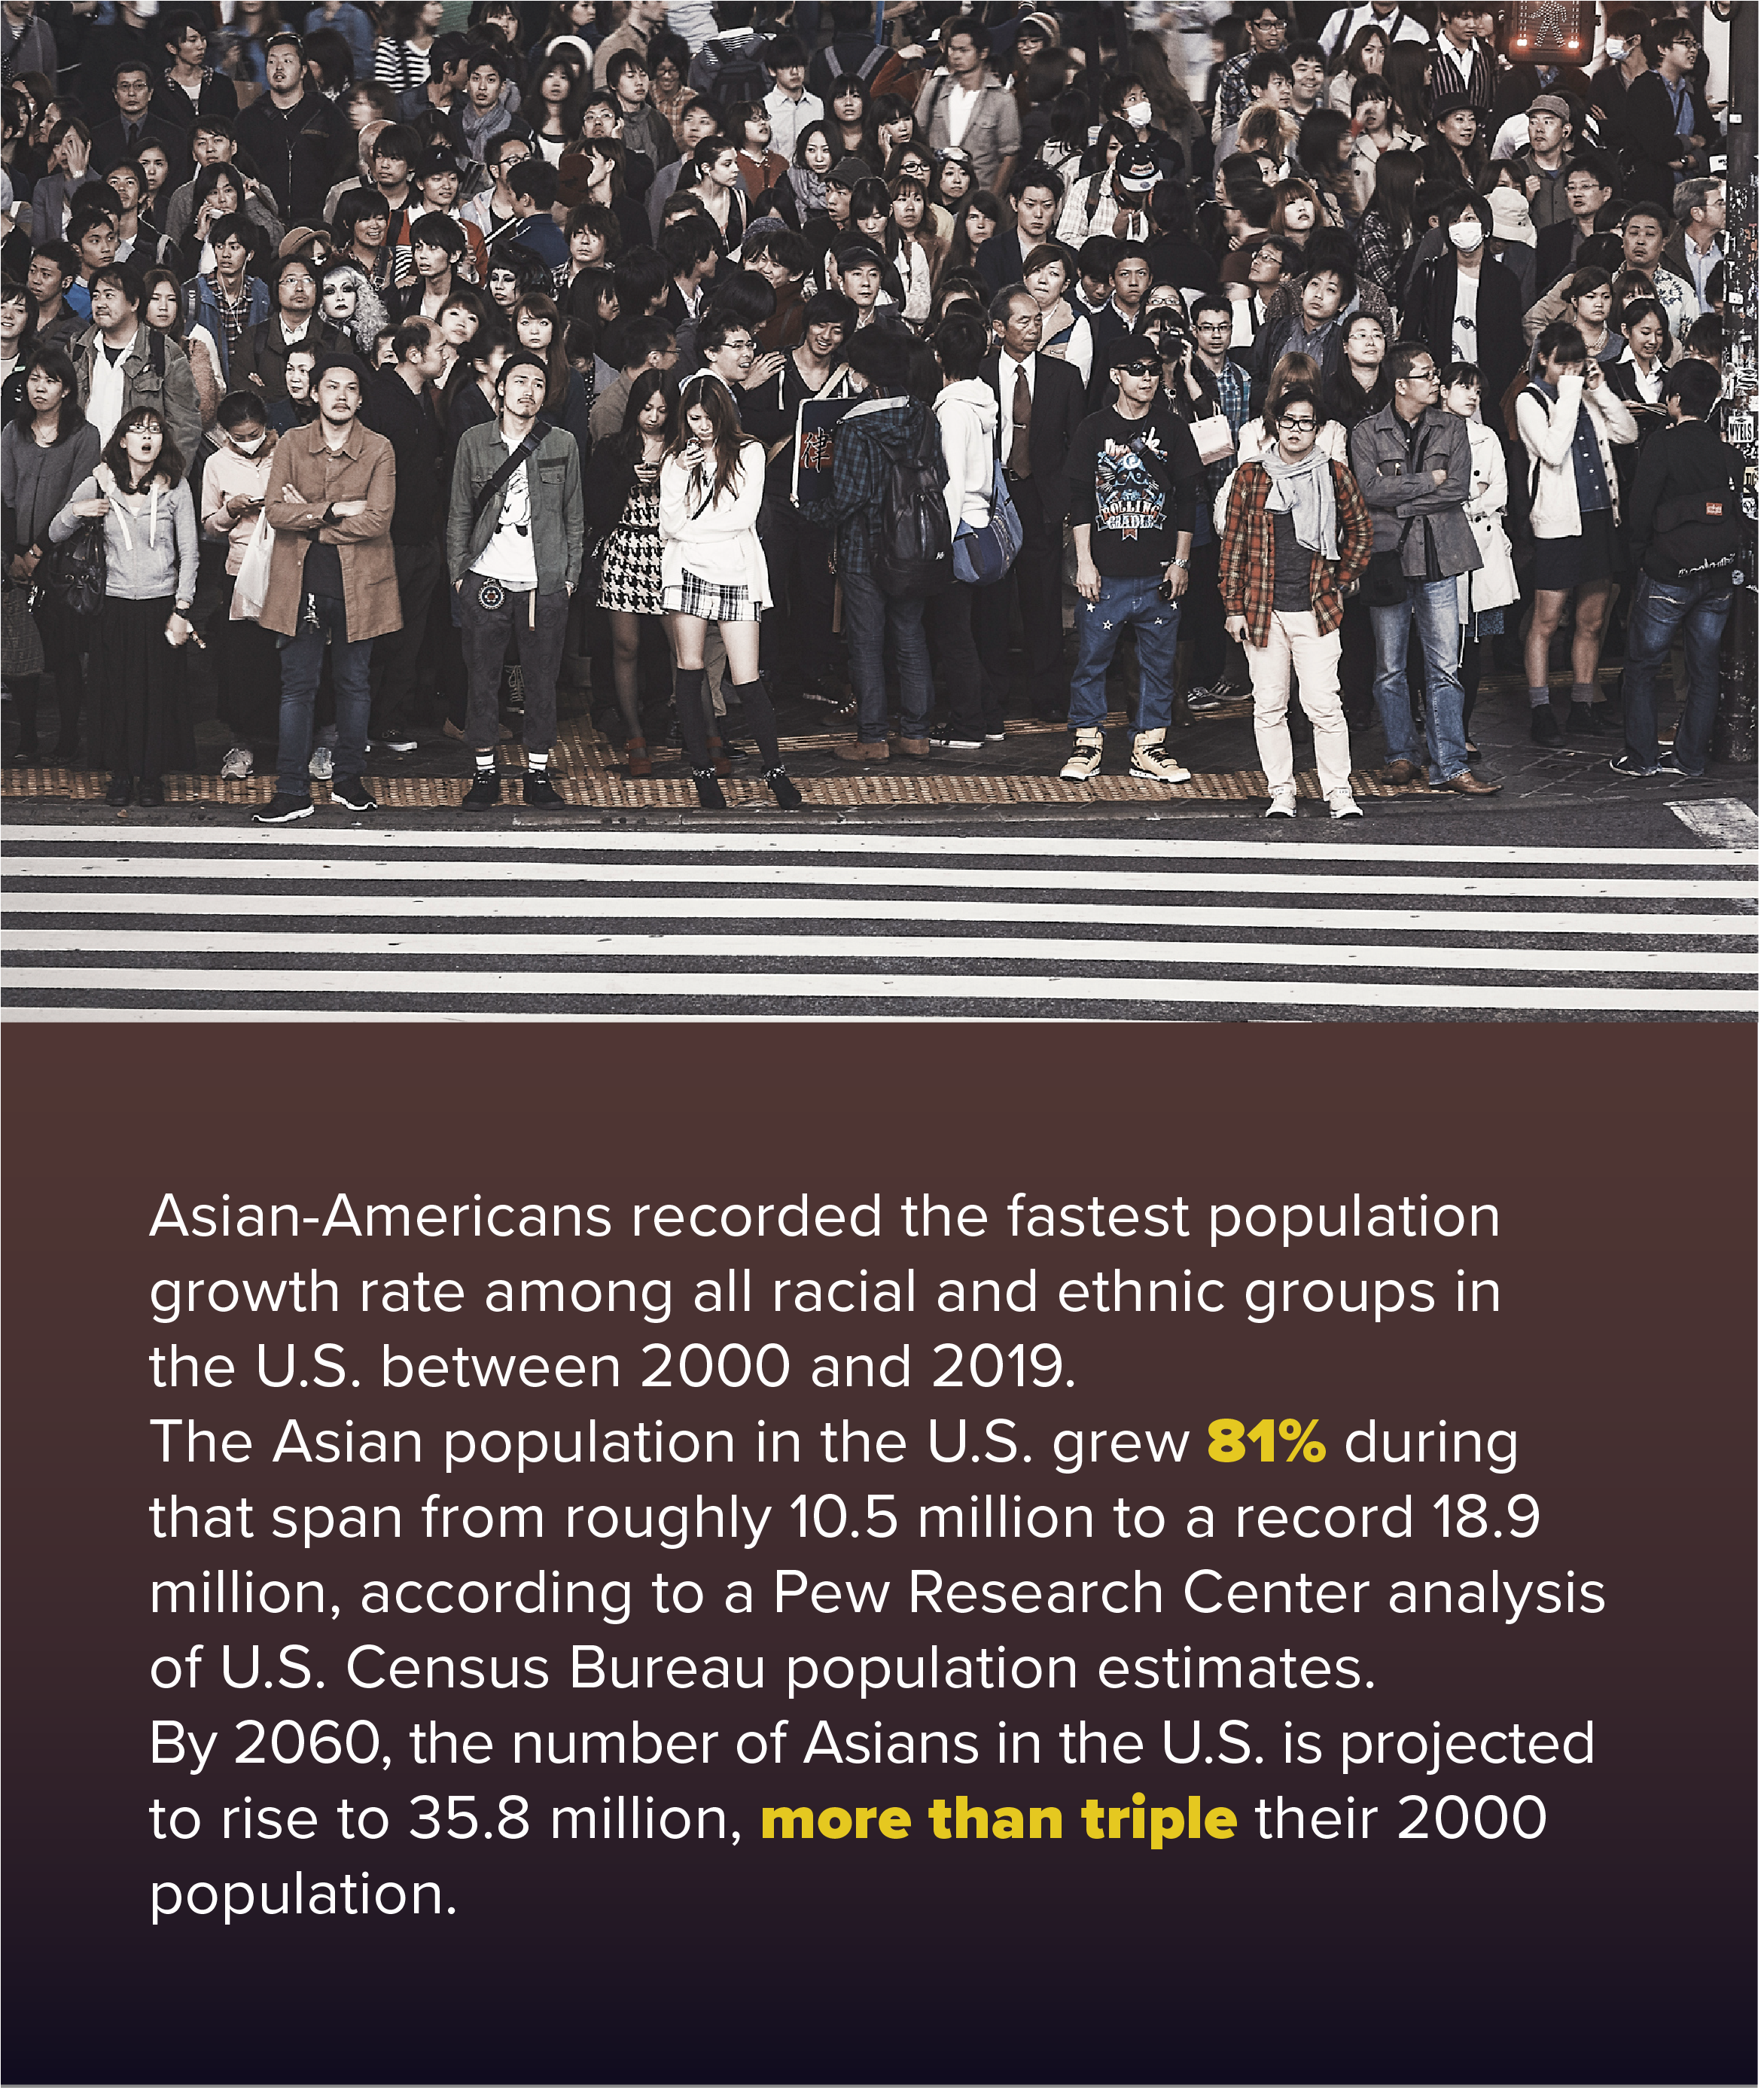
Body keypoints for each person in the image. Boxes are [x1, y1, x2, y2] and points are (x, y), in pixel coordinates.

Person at [253, 351, 400, 825]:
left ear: (360, 400)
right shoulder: (292, 444)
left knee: (354, 685)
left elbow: (378, 520)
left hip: (362, 583)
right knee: (297, 687)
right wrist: (337, 510)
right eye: (332, 386)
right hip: (301, 583)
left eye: (351, 388)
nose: (341, 395)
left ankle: (349, 780)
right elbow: (275, 511)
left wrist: (312, 516)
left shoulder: (380, 448)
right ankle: (292, 789)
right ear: (314, 394)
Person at [1348, 342, 1497, 795]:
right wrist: (1423, 484)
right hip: (1390, 561)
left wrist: (1404, 497)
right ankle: (1400, 756)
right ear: (1401, 384)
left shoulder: (1454, 427)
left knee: (1444, 666)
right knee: (1390, 667)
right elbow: (1369, 490)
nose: (1437, 381)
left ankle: (1451, 764)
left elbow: (1455, 489)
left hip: (1440, 556)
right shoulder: (1367, 432)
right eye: (1428, 374)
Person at [1218, 381, 1373, 819]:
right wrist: (1233, 607)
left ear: (1318, 429)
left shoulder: (1334, 473)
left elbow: (1361, 529)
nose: (1296, 431)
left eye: (1306, 423)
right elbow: (1233, 545)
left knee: (1324, 704)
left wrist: (1343, 579)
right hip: (1261, 610)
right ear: (1275, 427)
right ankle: (1280, 790)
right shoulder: (1251, 475)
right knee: (1269, 705)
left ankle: (1338, 790)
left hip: (1316, 608)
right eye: (1289, 422)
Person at [1059, 336, 1203, 788]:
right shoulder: (1092, 429)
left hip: (1159, 572)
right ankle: (1087, 741)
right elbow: (1080, 499)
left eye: (1154, 369)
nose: (1147, 377)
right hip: (1106, 572)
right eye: (1137, 369)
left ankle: (1150, 745)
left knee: (1160, 663)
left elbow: (1187, 499)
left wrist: (1181, 561)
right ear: (1115, 375)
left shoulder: (1173, 428)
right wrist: (1084, 563)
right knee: (1092, 659)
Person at [447, 348, 584, 811]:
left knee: (542, 681)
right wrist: (458, 574)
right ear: (501, 388)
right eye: (520, 381)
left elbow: (574, 515)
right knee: (482, 678)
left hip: (542, 582)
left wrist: (568, 577)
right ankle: (484, 772)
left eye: (538, 384)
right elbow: (460, 512)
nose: (529, 391)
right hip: (486, 576)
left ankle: (538, 774)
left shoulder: (562, 443)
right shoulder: (473, 441)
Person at [660, 371, 800, 811]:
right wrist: (681, 477)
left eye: (708, 418)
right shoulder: (675, 461)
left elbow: (743, 516)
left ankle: (774, 770)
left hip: (738, 571)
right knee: (690, 669)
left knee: (747, 677)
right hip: (687, 572)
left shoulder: (749, 452)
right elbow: (668, 525)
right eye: (694, 418)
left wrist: (693, 529)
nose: (702, 427)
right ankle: (703, 771)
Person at [47, 404, 197, 806]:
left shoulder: (176, 486)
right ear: (123, 439)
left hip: (159, 603)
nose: (147, 438)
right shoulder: (100, 482)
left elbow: (190, 553)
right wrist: (78, 511)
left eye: (155, 431)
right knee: (115, 691)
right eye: (138, 430)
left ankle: (150, 775)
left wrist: (182, 610)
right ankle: (121, 773)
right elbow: (56, 530)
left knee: (157, 693)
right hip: (112, 604)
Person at [1613, 358, 1742, 781]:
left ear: (1674, 400)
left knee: (1644, 666)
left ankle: (1643, 758)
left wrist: (1640, 555)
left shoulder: (1662, 445)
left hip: (1668, 572)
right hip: (1718, 575)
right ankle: (1689, 760)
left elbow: (1640, 509)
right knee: (1705, 669)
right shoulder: (1729, 453)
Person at [815, 325, 939, 765]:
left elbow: (850, 497)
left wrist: (811, 510)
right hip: (912, 544)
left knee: (867, 641)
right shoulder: (924, 414)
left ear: (863, 374)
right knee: (909, 634)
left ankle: (872, 736)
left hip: (862, 548)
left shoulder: (855, 426)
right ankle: (916, 733)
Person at [1516, 321, 1637, 747]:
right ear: (1543, 358)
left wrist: (1600, 390)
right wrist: (1570, 394)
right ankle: (1540, 708)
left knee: (1593, 619)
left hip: (1601, 517)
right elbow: (1552, 450)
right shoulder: (1529, 400)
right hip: (1558, 524)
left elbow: (1628, 433)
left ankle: (1583, 706)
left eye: (1578, 363)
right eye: (1562, 362)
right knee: (1547, 621)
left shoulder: (1586, 392)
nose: (1571, 370)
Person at [975, 282, 1083, 727]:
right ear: (999, 327)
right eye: (1023, 320)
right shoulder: (978, 374)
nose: (1034, 328)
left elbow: (1076, 445)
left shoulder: (1064, 376)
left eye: (1038, 319)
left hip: (1040, 497)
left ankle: (1048, 697)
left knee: (1043, 603)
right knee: (992, 604)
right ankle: (991, 696)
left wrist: (1065, 504)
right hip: (992, 495)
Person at [2, 342, 100, 764]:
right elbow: (4, 499)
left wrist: (39, 550)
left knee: (63, 654)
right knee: (20, 651)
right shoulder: (11, 432)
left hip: (62, 560)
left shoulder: (85, 436)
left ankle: (68, 737)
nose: (39, 388)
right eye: (34, 379)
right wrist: (12, 556)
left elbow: (76, 503)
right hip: (15, 558)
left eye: (51, 380)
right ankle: (26, 735)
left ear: (67, 389)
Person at [360, 314, 446, 756]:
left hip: (421, 537)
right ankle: (366, 721)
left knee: (410, 635)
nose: (447, 354)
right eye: (440, 347)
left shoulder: (425, 397)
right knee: (379, 634)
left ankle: (390, 719)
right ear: (415, 354)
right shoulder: (380, 397)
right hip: (386, 539)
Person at [590, 367, 675, 777]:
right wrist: (630, 478)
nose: (654, 417)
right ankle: (635, 734)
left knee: (679, 647)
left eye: (662, 409)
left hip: (670, 551)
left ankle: (687, 724)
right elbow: (596, 507)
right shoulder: (613, 448)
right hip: (625, 548)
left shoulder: (682, 447)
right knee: (626, 647)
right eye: (646, 408)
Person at [925, 308, 1000, 753]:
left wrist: (940, 543)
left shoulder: (953, 411)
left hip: (960, 530)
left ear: (939, 356)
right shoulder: (983, 403)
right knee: (968, 632)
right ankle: (988, 715)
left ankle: (968, 724)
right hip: (983, 522)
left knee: (952, 634)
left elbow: (950, 483)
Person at [1438, 361, 1517, 757]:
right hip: (1441, 552)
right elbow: (1439, 495)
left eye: (1477, 390)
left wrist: (1466, 496)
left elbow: (1498, 494)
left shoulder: (1487, 437)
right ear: (1442, 390)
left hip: (1482, 554)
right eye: (1464, 387)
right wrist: (1469, 493)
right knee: (1438, 647)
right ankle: (1439, 730)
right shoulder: (1429, 434)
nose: (1472, 395)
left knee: (1472, 648)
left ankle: (1462, 731)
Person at [200, 388, 280, 779]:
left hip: (284, 567)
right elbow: (208, 528)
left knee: (290, 656)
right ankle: (242, 741)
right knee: (243, 663)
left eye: (256, 434)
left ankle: (310, 739)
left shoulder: (286, 452)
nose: (250, 443)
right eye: (241, 437)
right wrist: (230, 511)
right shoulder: (216, 464)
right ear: (226, 432)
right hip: (239, 569)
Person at [73, 260, 202, 465]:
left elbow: (185, 427)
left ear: (134, 303)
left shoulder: (166, 354)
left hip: (141, 478)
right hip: (83, 473)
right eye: (96, 296)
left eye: (109, 295)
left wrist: (163, 480)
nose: (100, 303)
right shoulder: (77, 349)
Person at [235, 28, 351, 227]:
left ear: (303, 69)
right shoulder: (248, 119)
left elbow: (345, 166)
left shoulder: (326, 113)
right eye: (272, 61)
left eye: (287, 61)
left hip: (317, 223)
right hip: (261, 225)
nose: (278, 67)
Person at [914, 19, 1021, 196]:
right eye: (953, 49)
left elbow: (1009, 156)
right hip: (936, 194)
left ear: (983, 53)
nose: (956, 56)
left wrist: (992, 199)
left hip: (979, 194)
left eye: (964, 50)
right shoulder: (936, 87)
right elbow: (918, 136)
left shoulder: (1002, 99)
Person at [235, 252, 343, 407]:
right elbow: (241, 392)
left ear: (317, 288)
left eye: (307, 280)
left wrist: (266, 392)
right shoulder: (252, 338)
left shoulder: (336, 340)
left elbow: (339, 393)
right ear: (275, 288)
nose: (299, 288)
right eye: (291, 280)